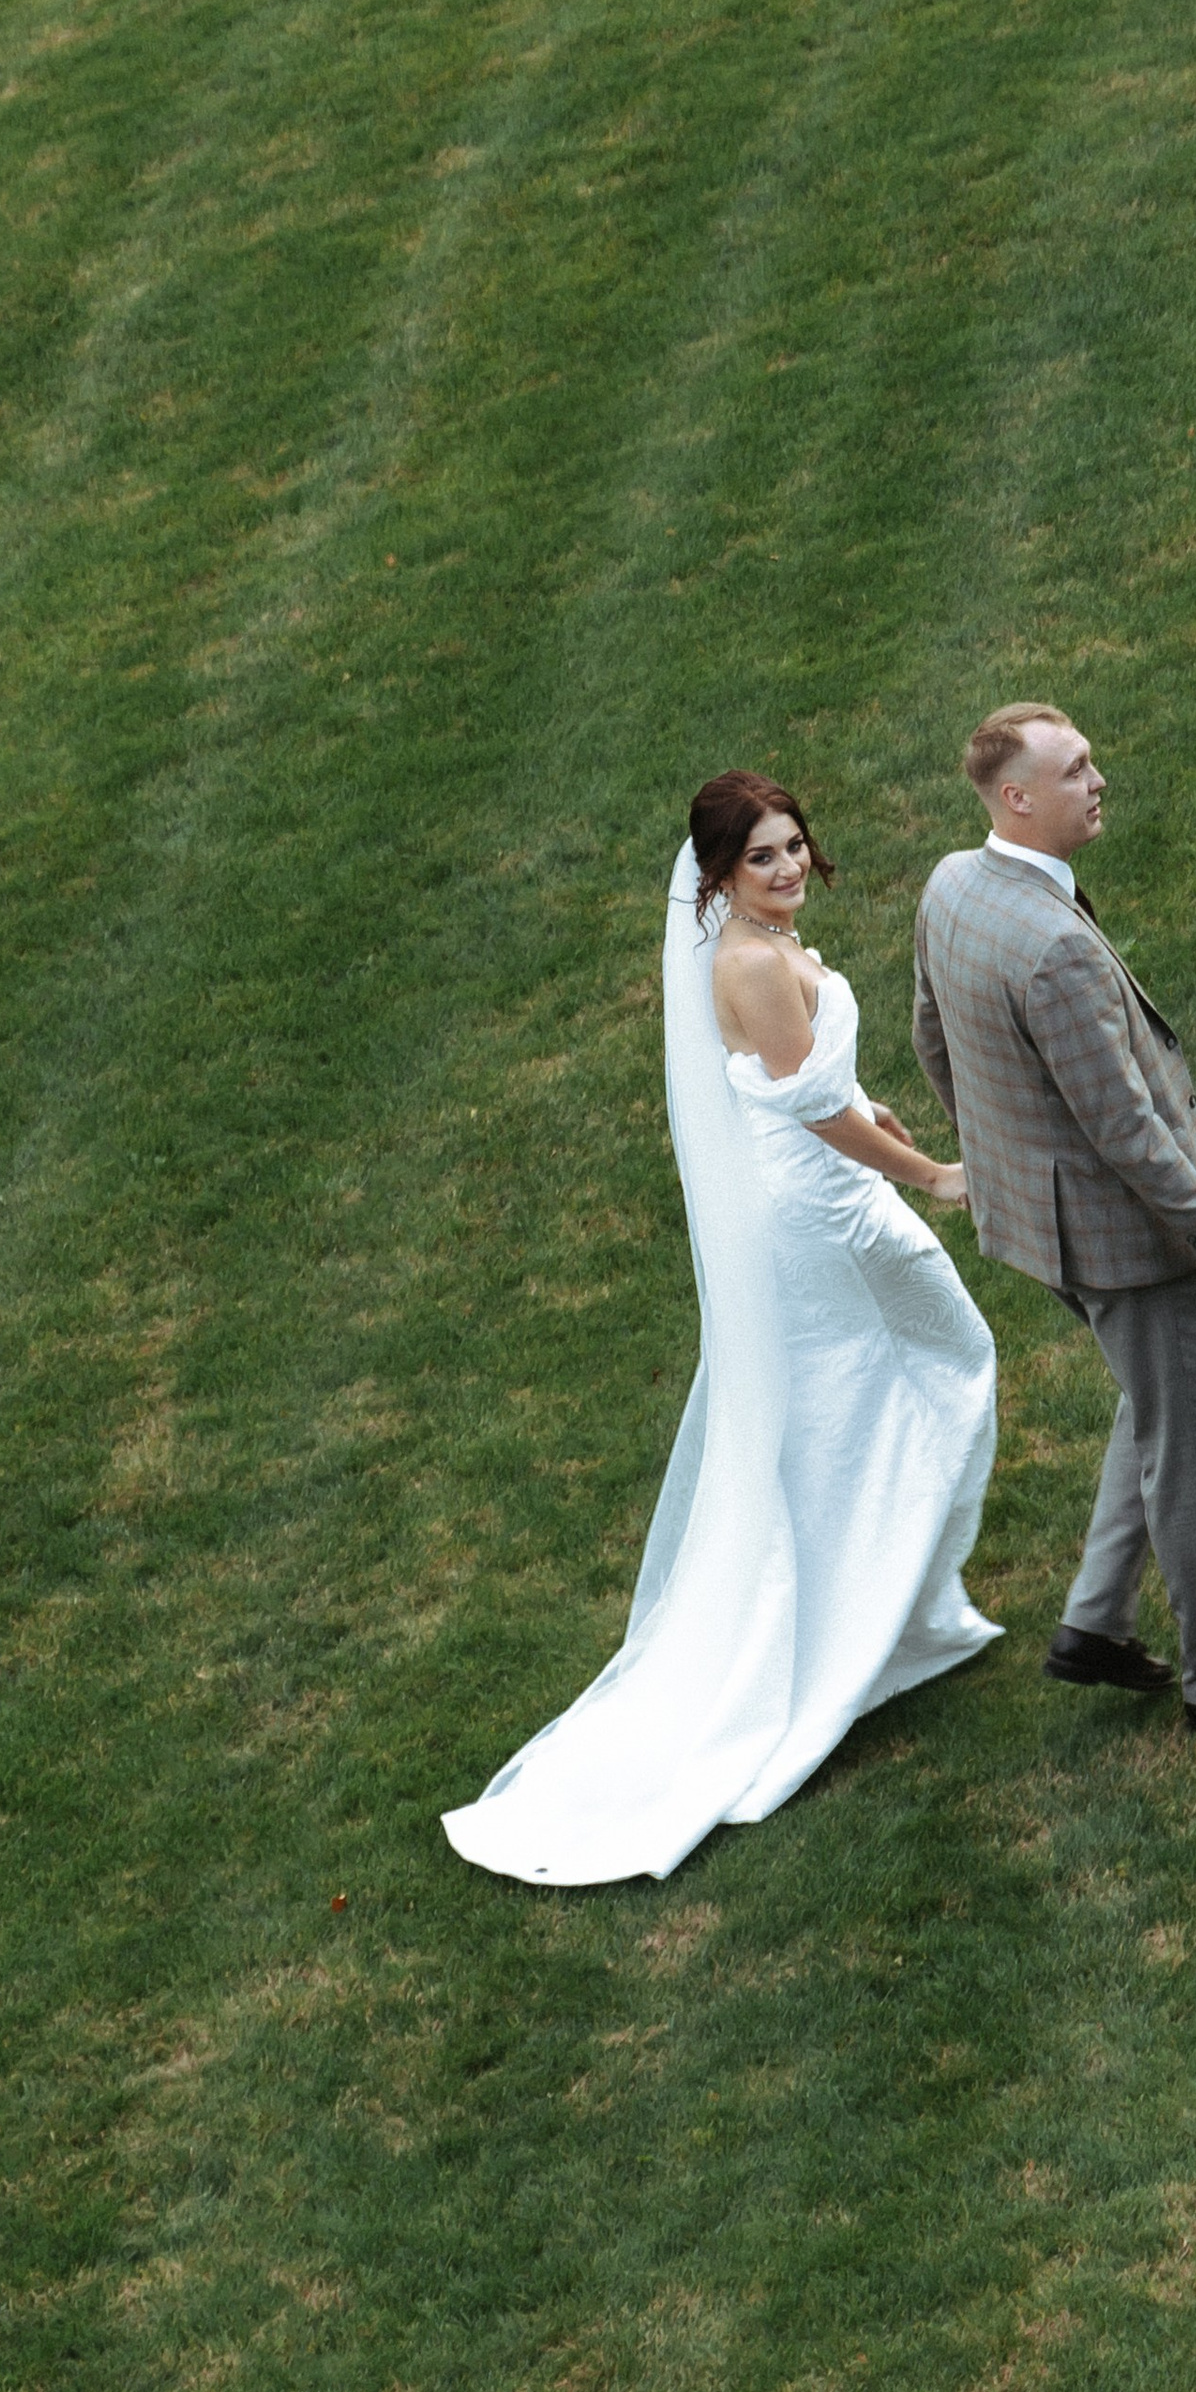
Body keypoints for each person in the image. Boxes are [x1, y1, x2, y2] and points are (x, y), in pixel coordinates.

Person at [443, 773, 1001, 1885]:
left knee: (903, 1385)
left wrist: (868, 1107)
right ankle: (862, 1624)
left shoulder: (756, 946)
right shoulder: (747, 961)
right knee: (933, 1369)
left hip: (822, 1195)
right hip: (828, 1215)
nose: (790, 868)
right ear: (718, 877)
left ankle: (899, 1606)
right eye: (764, 859)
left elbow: (801, 1082)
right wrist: (929, 1170)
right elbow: (810, 1106)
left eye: (795, 847)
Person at [912, 704, 1196, 1728]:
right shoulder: (1054, 948)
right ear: (1016, 799)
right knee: (1186, 1449)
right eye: (1073, 770)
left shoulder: (951, 886)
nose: (1098, 779)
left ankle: (1096, 1623)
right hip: (1126, 1246)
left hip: (1041, 1227)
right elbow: (1129, 1134)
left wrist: (1000, 1161)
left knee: (1149, 1406)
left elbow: (933, 1041)